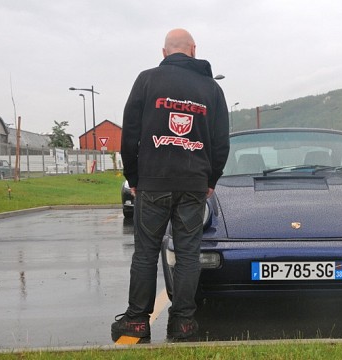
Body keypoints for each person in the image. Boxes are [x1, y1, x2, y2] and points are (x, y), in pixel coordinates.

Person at [112, 28, 230, 343]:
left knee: (146, 253)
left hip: (153, 182)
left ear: (165, 53)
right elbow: (221, 143)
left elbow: (130, 135)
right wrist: (210, 180)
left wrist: (134, 178)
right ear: (193, 50)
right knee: (189, 254)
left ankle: (137, 321)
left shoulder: (147, 80)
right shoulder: (211, 89)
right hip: (193, 184)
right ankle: (183, 324)